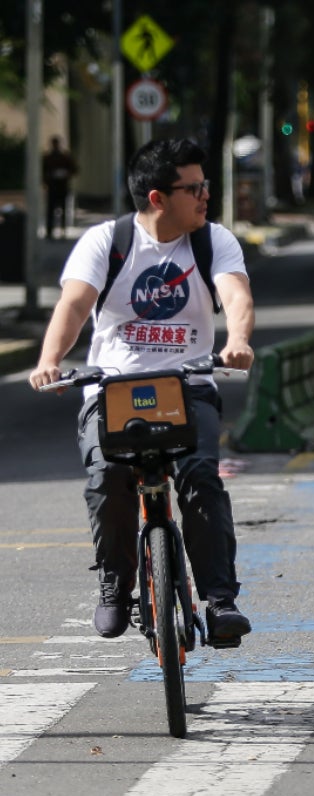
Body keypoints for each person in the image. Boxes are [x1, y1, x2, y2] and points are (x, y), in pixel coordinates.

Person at [28, 138, 255, 644]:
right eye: (193, 188)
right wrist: (49, 361)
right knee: (108, 478)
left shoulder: (212, 241)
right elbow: (73, 306)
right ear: (157, 198)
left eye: (205, 186)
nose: (204, 197)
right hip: (111, 391)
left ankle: (219, 601)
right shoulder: (105, 242)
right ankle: (115, 587)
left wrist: (238, 340)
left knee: (200, 476)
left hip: (188, 386)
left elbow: (236, 295)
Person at [42, 136, 78, 239]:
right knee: (51, 210)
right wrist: (48, 178)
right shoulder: (48, 157)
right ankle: (50, 231)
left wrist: (65, 174)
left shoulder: (64, 157)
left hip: (62, 186)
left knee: (61, 209)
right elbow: (43, 171)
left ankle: (62, 230)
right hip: (53, 187)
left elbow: (74, 169)